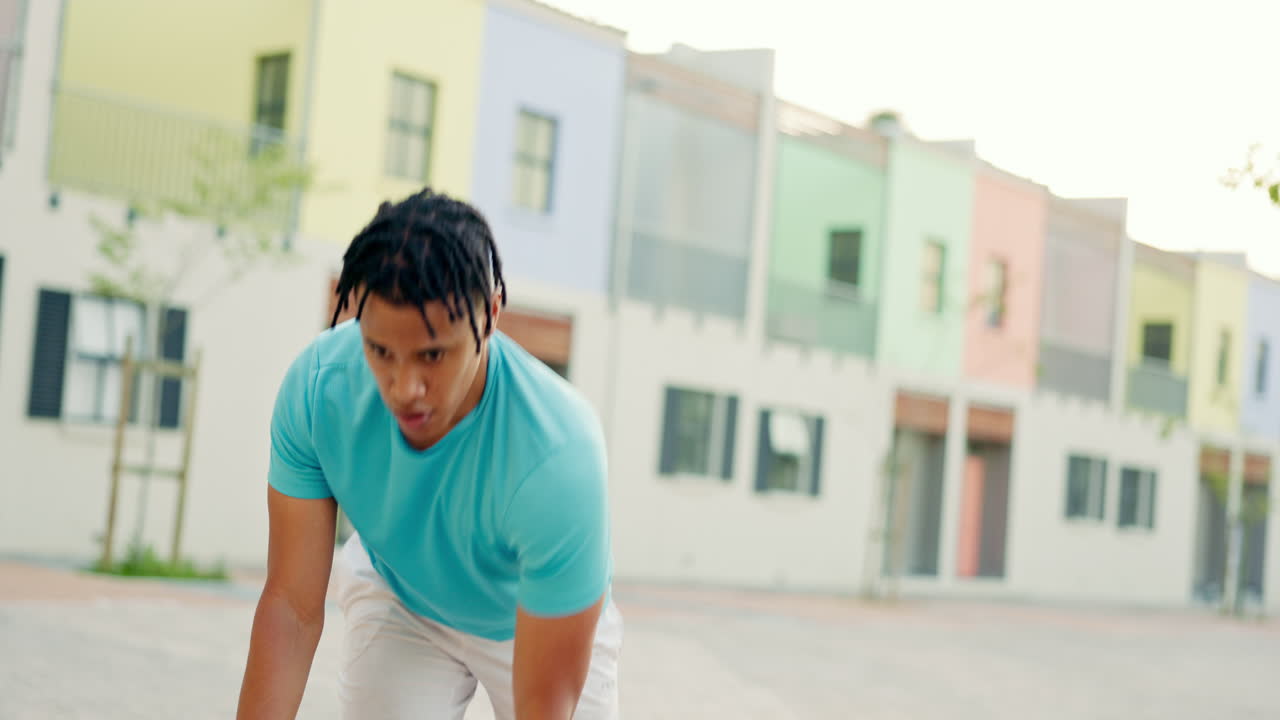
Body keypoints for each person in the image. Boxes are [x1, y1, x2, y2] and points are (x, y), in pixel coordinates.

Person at [235, 189, 621, 720]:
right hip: (404, 598)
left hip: (531, 621)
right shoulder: (319, 391)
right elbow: (292, 609)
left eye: (432, 355)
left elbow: (542, 707)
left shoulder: (558, 454)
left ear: (489, 315)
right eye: (380, 351)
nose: (403, 386)